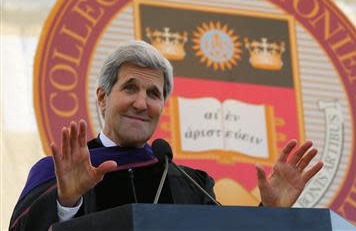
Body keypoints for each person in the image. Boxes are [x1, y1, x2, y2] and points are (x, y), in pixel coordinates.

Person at [9, 40, 323, 230]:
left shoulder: (191, 184)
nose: (141, 103)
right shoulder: (54, 172)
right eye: (130, 87)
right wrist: (68, 201)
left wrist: (269, 215)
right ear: (103, 97)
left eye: (154, 93)